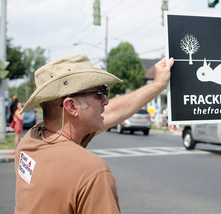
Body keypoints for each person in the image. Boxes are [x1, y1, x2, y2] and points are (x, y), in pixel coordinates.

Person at [14, 54, 174, 213]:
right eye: (99, 94)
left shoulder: (30, 140)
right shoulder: (91, 171)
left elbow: (112, 111)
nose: (106, 101)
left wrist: (158, 85)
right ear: (71, 106)